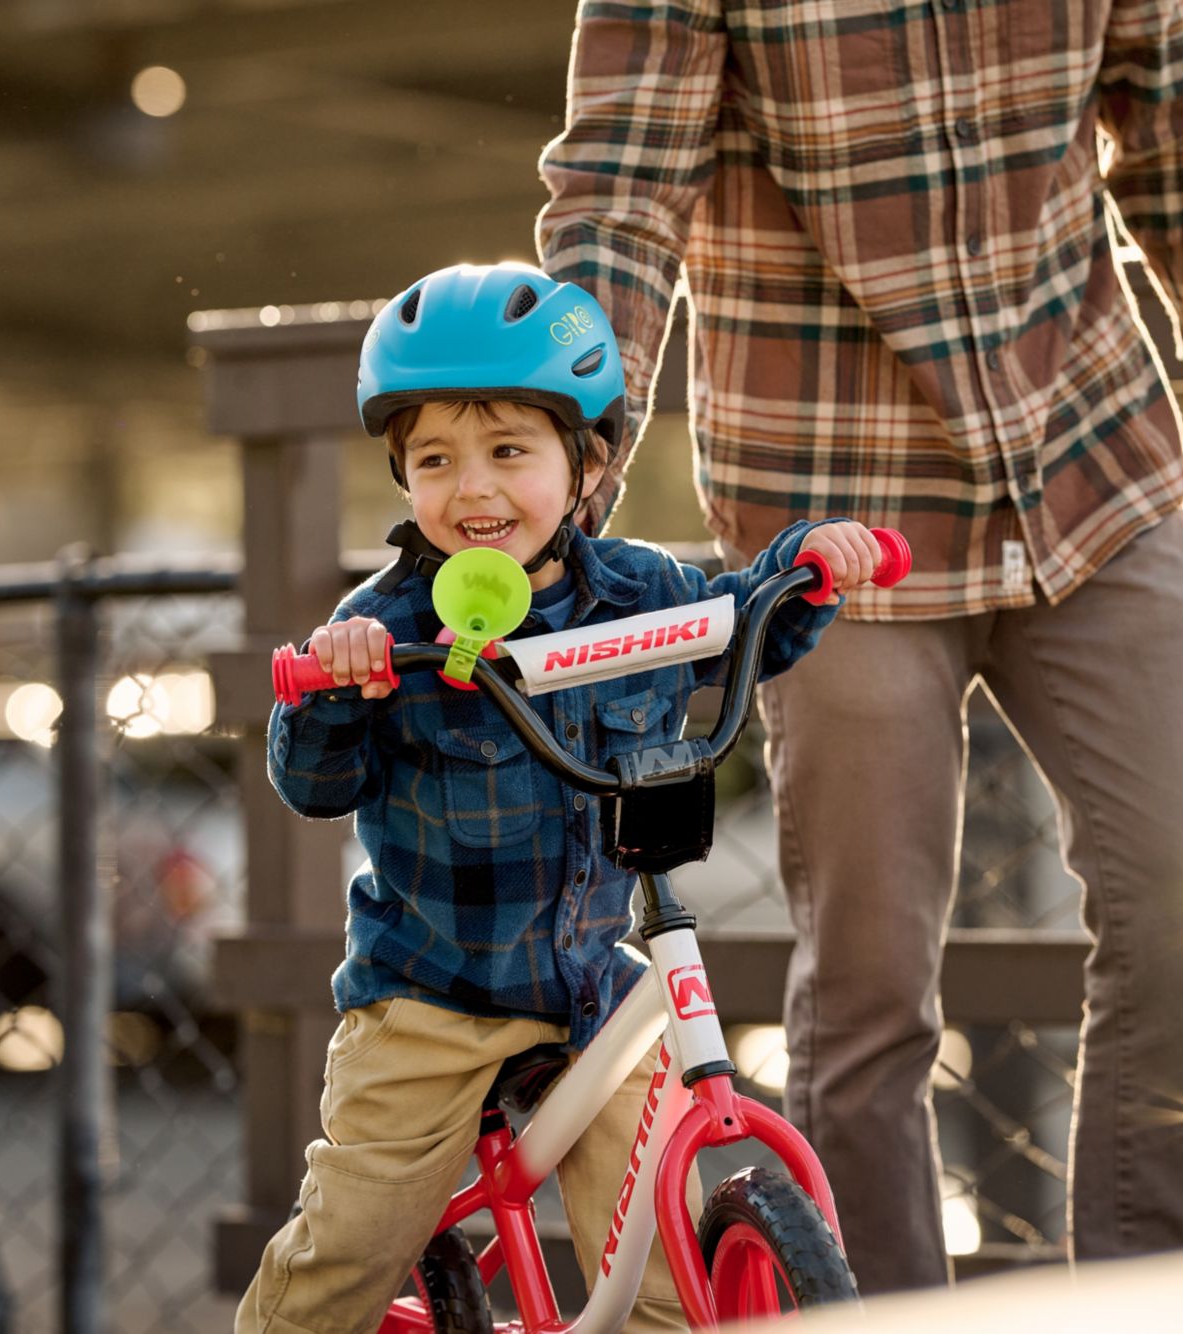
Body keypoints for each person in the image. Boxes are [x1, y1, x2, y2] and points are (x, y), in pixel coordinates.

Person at [536, 0, 1183, 1290]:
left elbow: (1179, 119)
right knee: (871, 985)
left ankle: (1162, 1301)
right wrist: (564, 493)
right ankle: (878, 1315)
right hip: (837, 501)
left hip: (1090, 459)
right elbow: (619, 197)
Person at [235, 261, 885, 1333]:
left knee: (665, 1257)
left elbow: (733, 626)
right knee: (350, 1245)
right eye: (434, 459)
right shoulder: (386, 620)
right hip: (432, 991)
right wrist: (334, 683)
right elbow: (313, 784)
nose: (472, 488)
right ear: (401, 477)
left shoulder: (634, 590)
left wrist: (800, 568)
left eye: (508, 451)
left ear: (586, 462)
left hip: (592, 983)